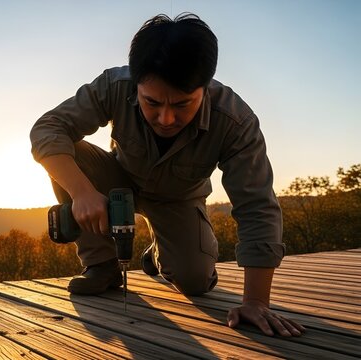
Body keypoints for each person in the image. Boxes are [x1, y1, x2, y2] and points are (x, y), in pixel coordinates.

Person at [29, 13, 305, 337]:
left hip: (180, 198)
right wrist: (82, 192)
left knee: (195, 282)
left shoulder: (236, 121)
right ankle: (101, 265)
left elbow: (257, 206)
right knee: (65, 152)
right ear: (136, 83)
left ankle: (159, 255)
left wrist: (256, 301)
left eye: (182, 104)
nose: (166, 118)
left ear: (205, 88)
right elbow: (47, 129)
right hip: (118, 183)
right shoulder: (114, 85)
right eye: (152, 102)